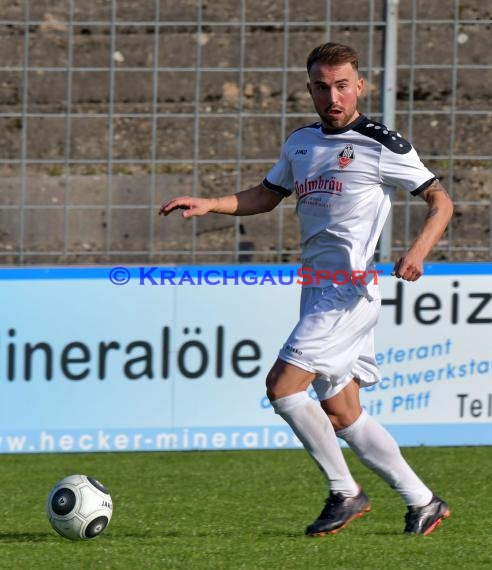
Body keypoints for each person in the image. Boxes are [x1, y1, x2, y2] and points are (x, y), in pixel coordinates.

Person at [159, 42, 454, 536]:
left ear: (359, 86)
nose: (332, 96)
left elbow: (440, 201)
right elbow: (267, 195)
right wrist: (211, 202)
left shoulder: (382, 144)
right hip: (315, 289)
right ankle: (423, 502)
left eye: (342, 85)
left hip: (350, 292)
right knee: (343, 412)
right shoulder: (300, 143)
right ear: (311, 88)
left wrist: (417, 252)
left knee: (282, 387)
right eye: (322, 86)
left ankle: (346, 492)